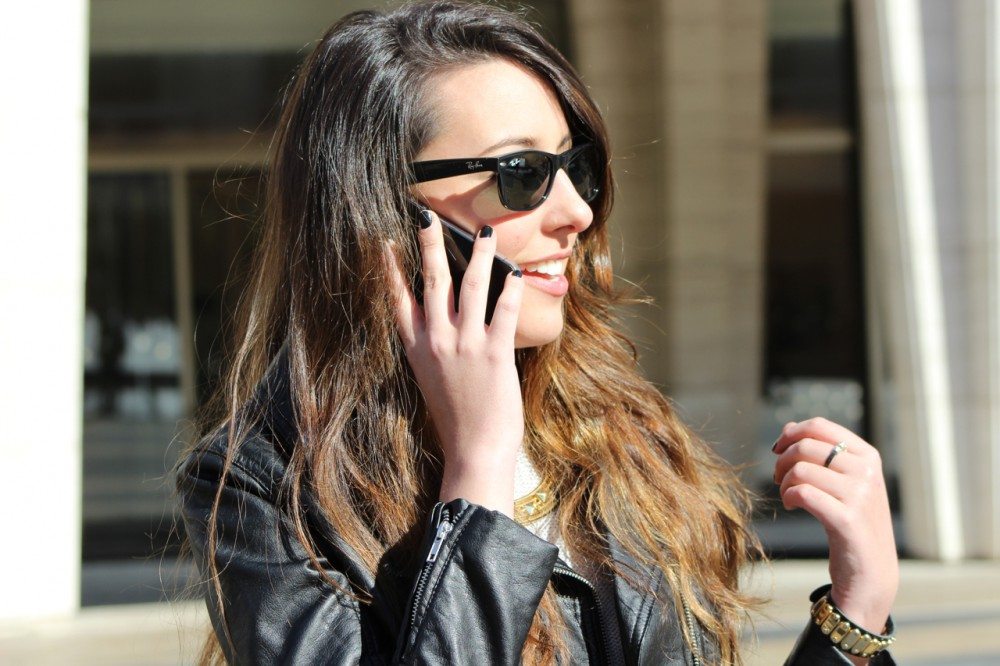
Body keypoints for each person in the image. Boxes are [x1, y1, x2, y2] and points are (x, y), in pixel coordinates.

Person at [174, 2, 899, 664]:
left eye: (572, 165)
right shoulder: (264, 488)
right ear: (384, 210)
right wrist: (480, 468)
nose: (577, 212)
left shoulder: (618, 429)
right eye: (522, 173)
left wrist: (855, 614)